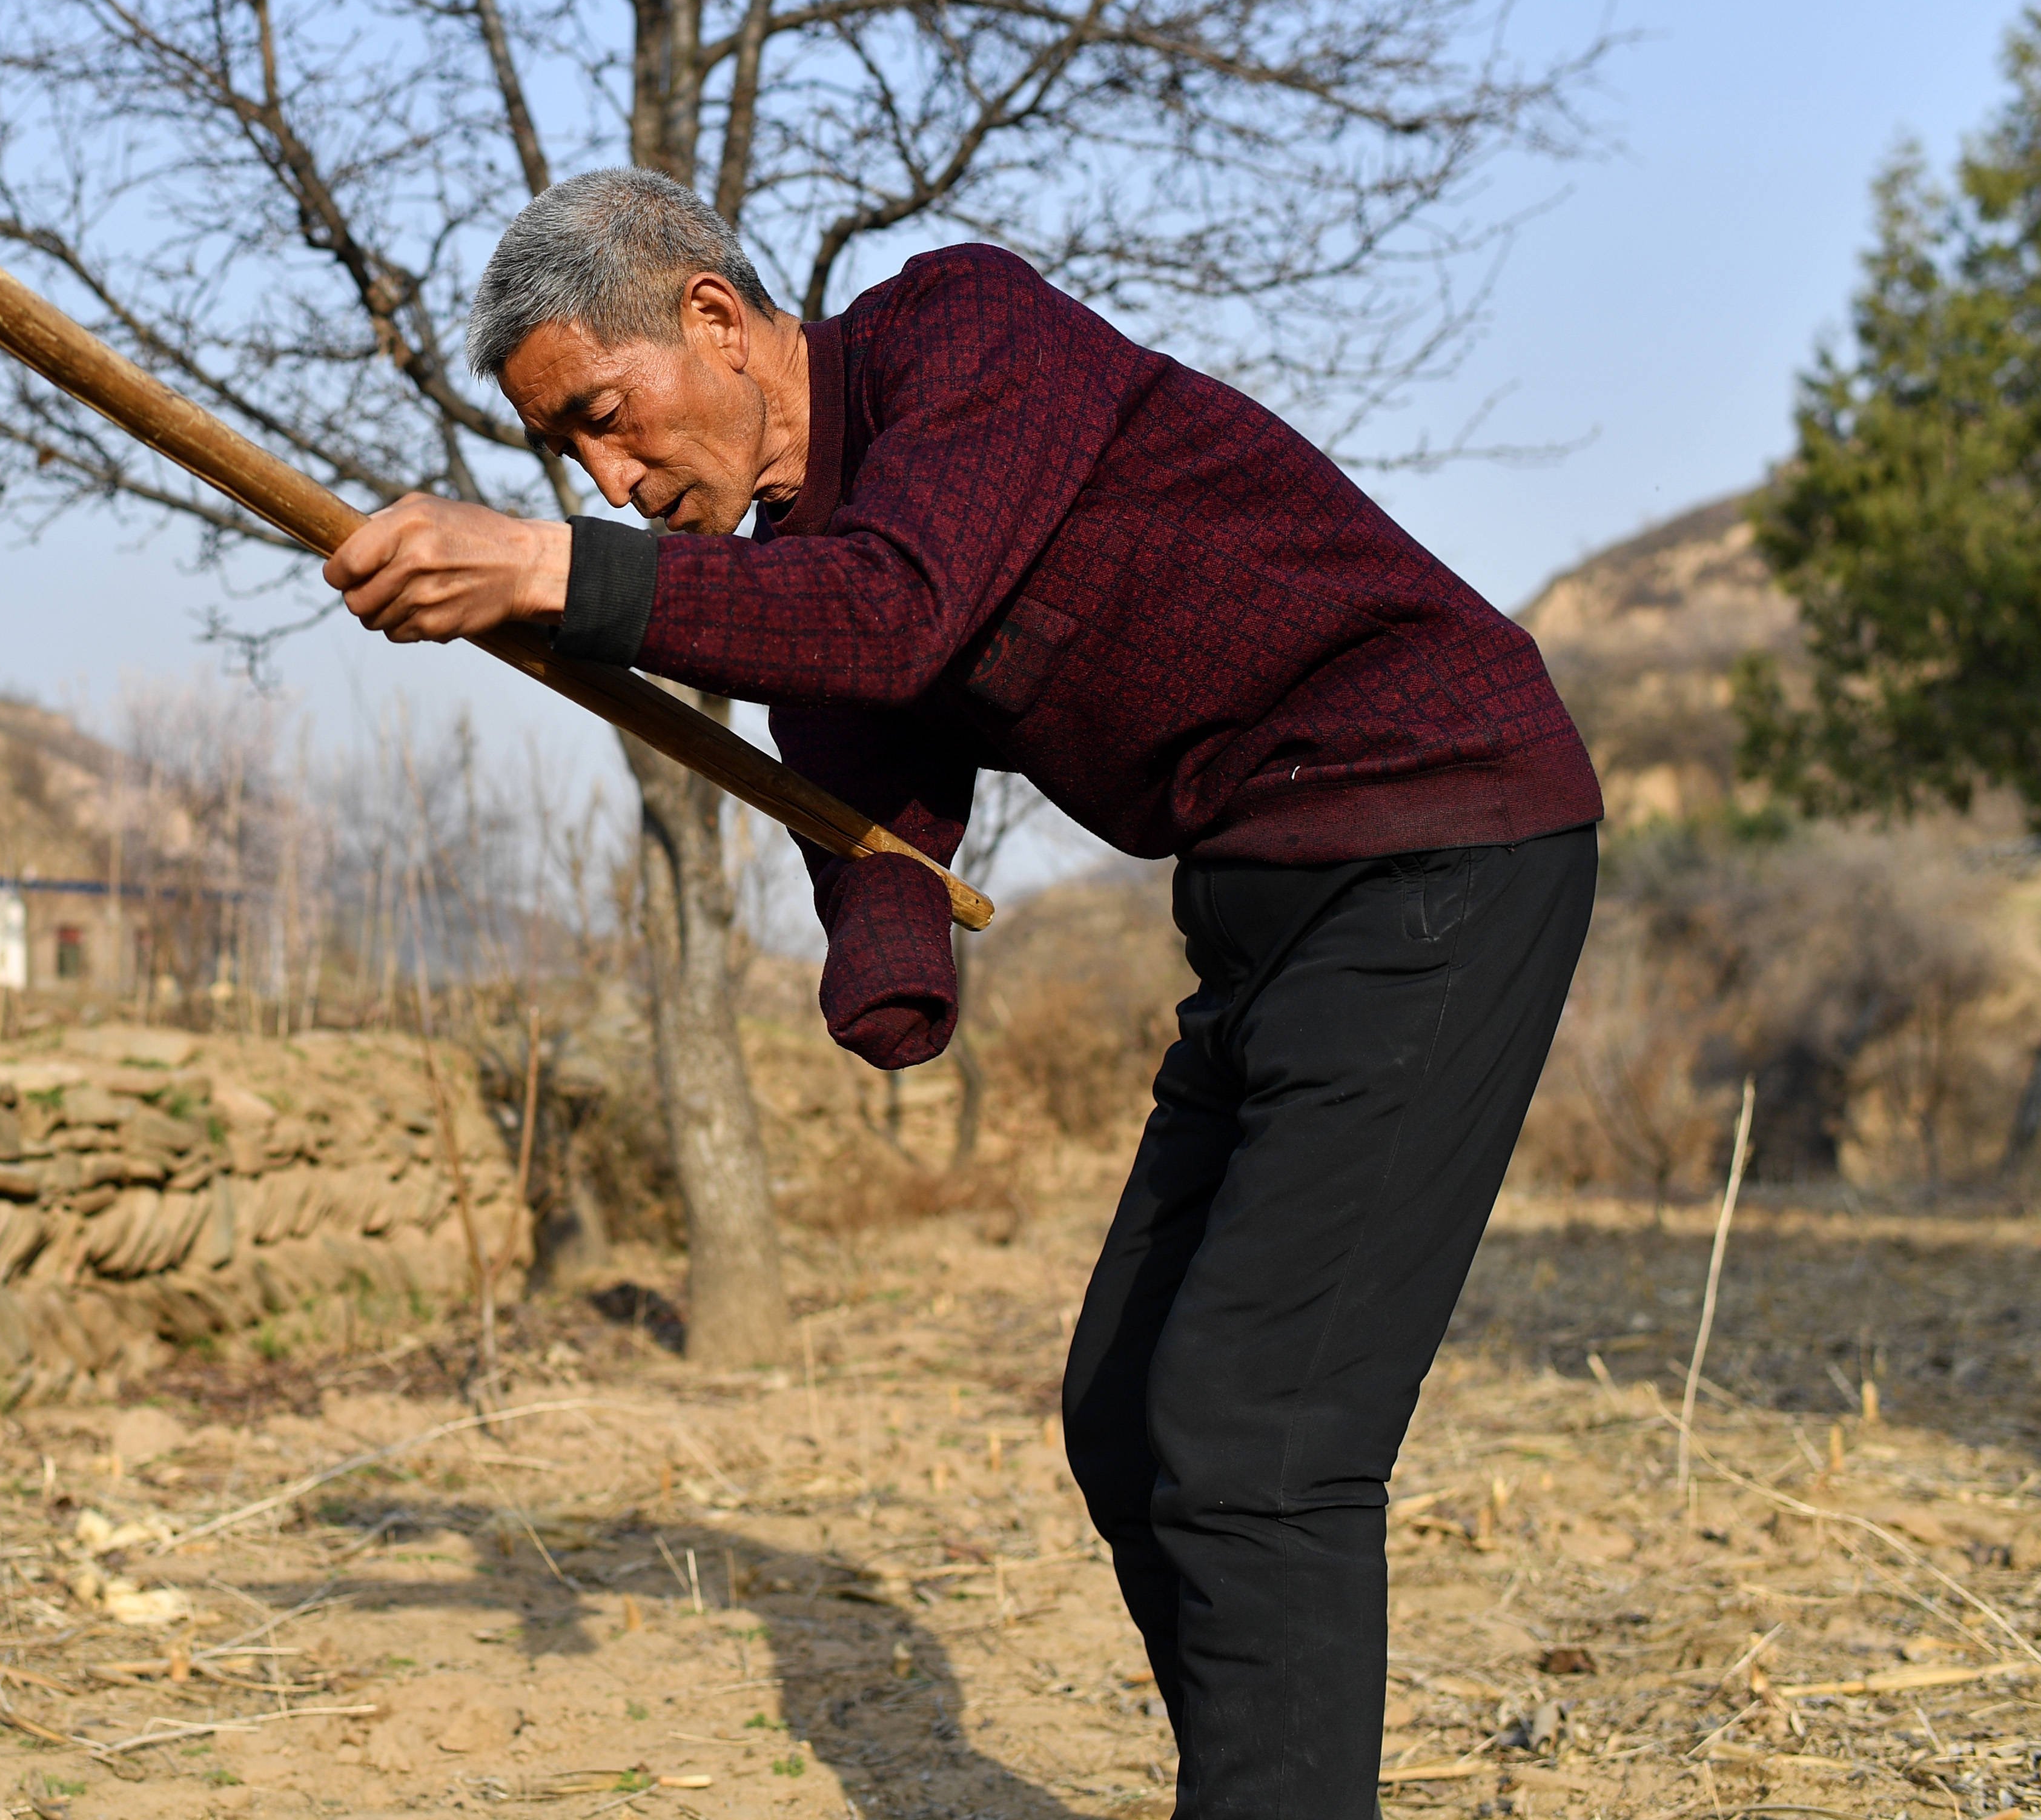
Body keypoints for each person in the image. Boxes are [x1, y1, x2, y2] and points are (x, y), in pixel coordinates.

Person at [323, 167, 1601, 1819]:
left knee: (1253, 1431)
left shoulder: (965, 331)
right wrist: (888, 959)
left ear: (715, 319)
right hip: (1266, 904)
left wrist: (556, 575)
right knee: (1129, 1415)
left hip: (1438, 829)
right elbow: (865, 787)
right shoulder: (807, 564)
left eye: (609, 419)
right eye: (568, 458)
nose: (608, 478)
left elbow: (894, 615)